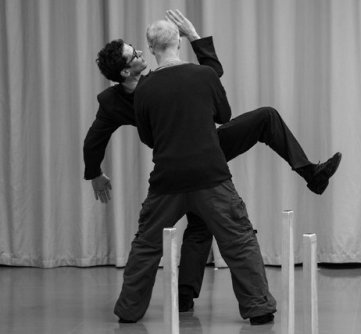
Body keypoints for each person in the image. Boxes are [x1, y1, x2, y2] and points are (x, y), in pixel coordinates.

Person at [84, 10, 341, 316]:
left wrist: (195, 37)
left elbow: (209, 77)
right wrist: (95, 174)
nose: (141, 52)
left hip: (206, 147)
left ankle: (311, 173)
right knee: (202, 222)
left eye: (141, 49)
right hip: (180, 158)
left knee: (266, 117)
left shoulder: (161, 79)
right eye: (134, 54)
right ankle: (184, 296)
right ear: (125, 72)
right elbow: (94, 140)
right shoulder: (117, 100)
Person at [115, 18, 278, 324]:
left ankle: (128, 311)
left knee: (146, 246)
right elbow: (225, 116)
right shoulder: (204, 75)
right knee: (238, 239)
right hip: (210, 177)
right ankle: (258, 308)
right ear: (179, 42)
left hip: (167, 181)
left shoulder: (144, 89)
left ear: (151, 48)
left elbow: (148, 137)